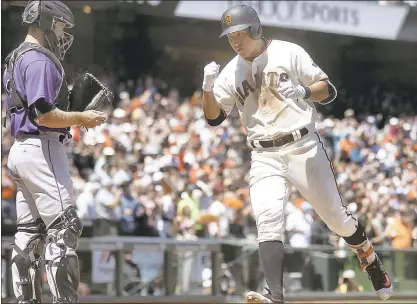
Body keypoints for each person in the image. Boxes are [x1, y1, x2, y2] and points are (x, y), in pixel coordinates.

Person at [201, 4, 392, 303]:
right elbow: (214, 118)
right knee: (267, 219)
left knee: (337, 220)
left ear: (255, 29)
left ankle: (370, 260)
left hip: (303, 145)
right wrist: (208, 89)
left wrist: (304, 92)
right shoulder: (229, 73)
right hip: (264, 155)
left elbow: (327, 90)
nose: (235, 41)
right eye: (229, 36)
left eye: (239, 33)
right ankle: (274, 296)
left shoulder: (288, 52)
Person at [2, 1, 106, 303]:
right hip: (42, 146)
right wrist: (82, 117)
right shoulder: (39, 60)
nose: (63, 33)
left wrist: (69, 110)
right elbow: (44, 115)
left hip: (22, 150)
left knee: (29, 233)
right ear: (47, 21)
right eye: (61, 25)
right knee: (64, 226)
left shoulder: (16, 57)